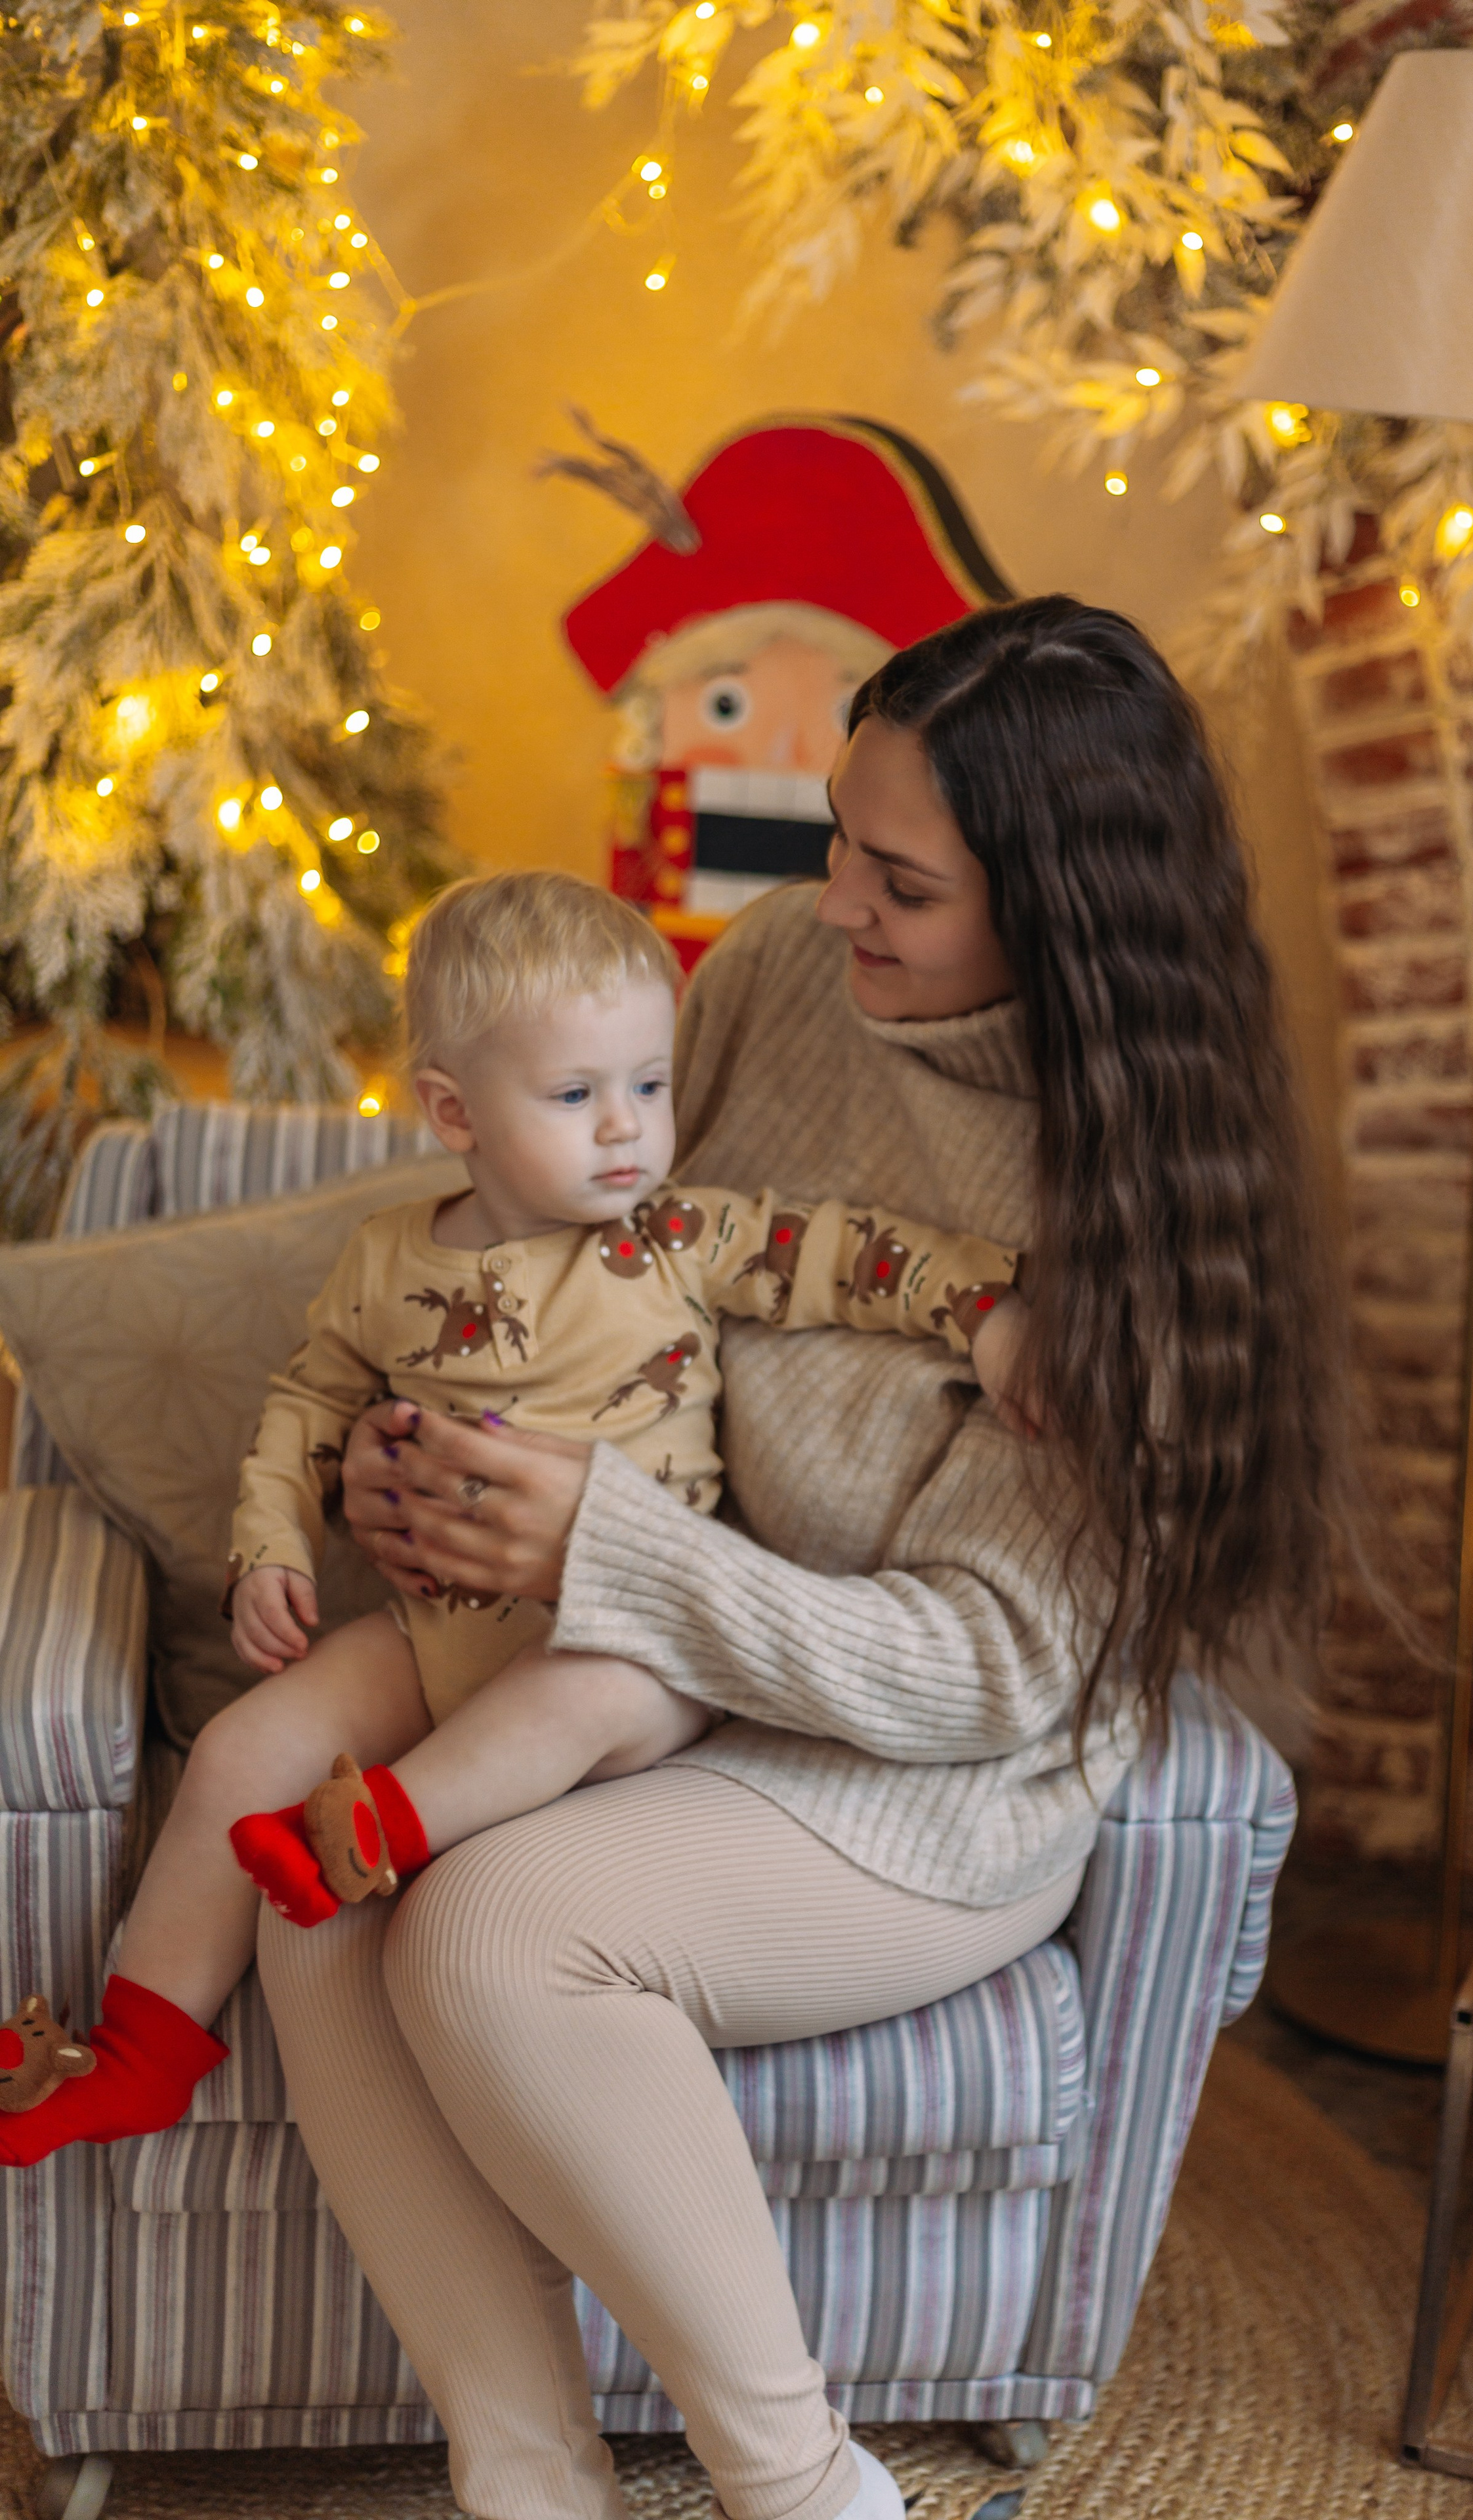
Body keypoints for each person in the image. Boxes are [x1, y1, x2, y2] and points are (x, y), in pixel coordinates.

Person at [218, 597, 1348, 2520]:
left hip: (932, 1781)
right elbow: (597, 1263)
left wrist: (612, 1549)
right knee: (315, 1876)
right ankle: (527, 2476)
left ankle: (800, 2481)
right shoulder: (773, 977)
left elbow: (992, 1674)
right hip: (656, 1674)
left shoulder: (1130, 1215)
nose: (834, 903)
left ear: (1057, 917)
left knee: (494, 1938)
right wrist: (424, 1462)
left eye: (897, 880)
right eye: (839, 838)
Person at [0, 874, 1026, 2172]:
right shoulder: (388, 1261)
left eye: (648, 1087)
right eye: (576, 1095)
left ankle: (384, 1830)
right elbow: (305, 1402)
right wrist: (265, 1543)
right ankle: (138, 2052)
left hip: (634, 1649)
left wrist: (985, 1307)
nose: (628, 1132)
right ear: (451, 1112)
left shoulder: (673, 1238)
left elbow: (843, 1252)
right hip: (436, 1633)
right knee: (242, 1749)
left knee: (575, 1699)